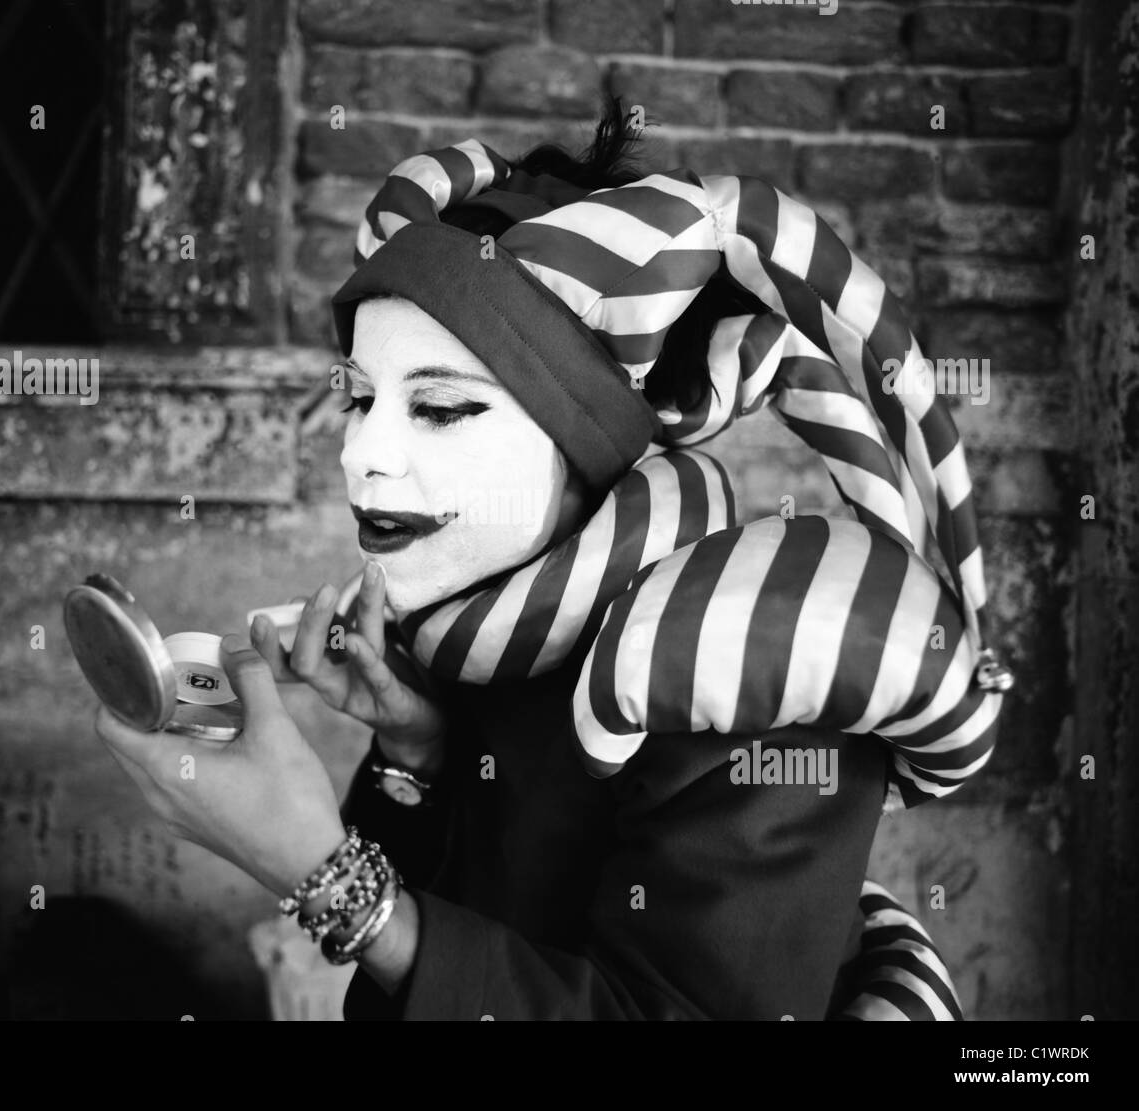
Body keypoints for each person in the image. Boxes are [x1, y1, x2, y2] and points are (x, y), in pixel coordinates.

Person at [97, 99, 1011, 1020]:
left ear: (584, 441)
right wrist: (420, 753)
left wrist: (325, 876)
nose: (360, 455)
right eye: (361, 399)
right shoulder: (482, 632)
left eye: (443, 408)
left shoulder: (745, 665)